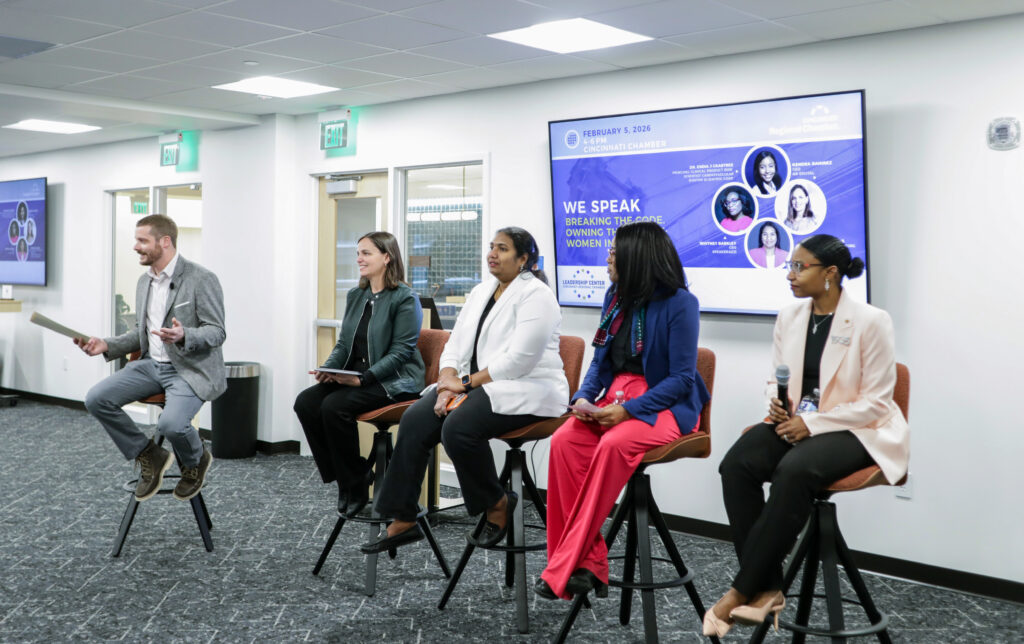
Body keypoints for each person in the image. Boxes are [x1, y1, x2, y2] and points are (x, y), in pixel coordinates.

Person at [703, 235, 908, 637]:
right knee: (736, 465)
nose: (790, 274)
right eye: (790, 266)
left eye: (800, 266)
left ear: (830, 274)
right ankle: (768, 587)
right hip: (798, 419)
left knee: (793, 471)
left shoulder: (871, 320)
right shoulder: (790, 316)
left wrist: (811, 425)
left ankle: (742, 590)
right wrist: (777, 403)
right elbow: (776, 377)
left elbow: (877, 402)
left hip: (858, 428)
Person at [361, 227, 568, 554]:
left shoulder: (537, 296)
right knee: (417, 418)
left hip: (529, 389)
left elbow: (520, 360)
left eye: (502, 249)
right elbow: (456, 345)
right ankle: (403, 517)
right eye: (491, 247)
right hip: (480, 385)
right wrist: (446, 383)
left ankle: (496, 503)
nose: (492, 254)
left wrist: (465, 384)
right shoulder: (482, 291)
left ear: (524, 259)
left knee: (458, 427)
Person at [535, 222, 709, 600]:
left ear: (637, 258)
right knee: (565, 440)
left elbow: (680, 379)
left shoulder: (681, 303)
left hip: (665, 404)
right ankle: (588, 562)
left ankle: (566, 566)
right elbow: (600, 361)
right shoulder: (615, 295)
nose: (608, 259)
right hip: (614, 399)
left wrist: (629, 411)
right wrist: (582, 398)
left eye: (614, 253)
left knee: (613, 445)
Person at [76, 214, 226, 503]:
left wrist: (185, 336)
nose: (136, 246)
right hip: (150, 365)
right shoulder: (145, 282)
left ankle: (196, 460)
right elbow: (141, 333)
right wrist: (106, 344)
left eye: (142, 240)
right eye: (136, 240)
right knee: (96, 399)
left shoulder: (201, 279)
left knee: (171, 425)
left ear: (165, 242)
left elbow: (217, 332)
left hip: (188, 369)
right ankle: (149, 454)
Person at [293, 231, 424, 517]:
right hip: (359, 376)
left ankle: (353, 486)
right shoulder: (357, 295)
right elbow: (344, 343)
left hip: (395, 380)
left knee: (334, 406)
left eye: (366, 253)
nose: (359, 259)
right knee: (305, 402)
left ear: (386, 257)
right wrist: (329, 369)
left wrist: (363, 379)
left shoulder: (405, 298)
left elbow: (401, 352)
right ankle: (351, 477)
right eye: (358, 253)